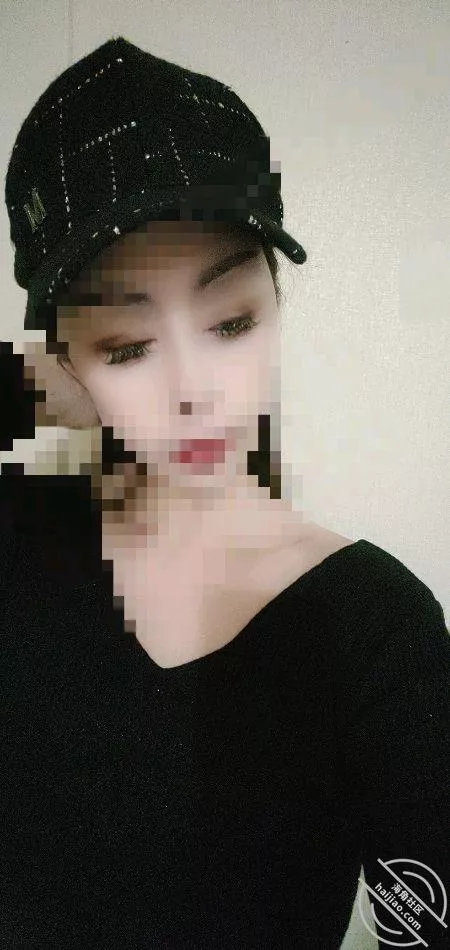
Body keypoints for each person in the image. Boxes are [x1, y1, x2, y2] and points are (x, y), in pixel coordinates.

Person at [1, 36, 449, 950]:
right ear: (67, 364)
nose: (194, 391)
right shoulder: (21, 534)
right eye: (129, 346)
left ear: (276, 303)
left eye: (231, 322)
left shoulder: (375, 631)